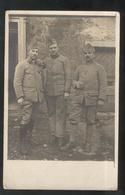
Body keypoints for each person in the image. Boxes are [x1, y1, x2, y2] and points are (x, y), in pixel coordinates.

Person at [62, 43, 107, 155]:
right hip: (79, 98)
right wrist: (76, 84)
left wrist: (101, 98)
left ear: (94, 54)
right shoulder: (79, 67)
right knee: (73, 119)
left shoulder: (99, 68)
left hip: (92, 99)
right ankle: (72, 141)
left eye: (89, 53)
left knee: (90, 121)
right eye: (85, 53)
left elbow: (103, 85)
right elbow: (72, 80)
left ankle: (88, 143)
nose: (87, 55)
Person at [13, 48, 45, 155]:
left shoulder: (38, 66)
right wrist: (20, 96)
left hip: (37, 97)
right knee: (26, 119)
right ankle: (22, 144)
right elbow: (17, 81)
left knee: (33, 118)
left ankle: (29, 139)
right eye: (33, 51)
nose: (35, 53)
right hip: (27, 97)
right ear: (28, 52)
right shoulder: (22, 65)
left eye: (37, 51)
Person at [44, 39, 72, 148]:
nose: (53, 50)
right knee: (51, 114)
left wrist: (66, 91)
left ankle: (60, 136)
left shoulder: (64, 60)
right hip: (49, 91)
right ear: (49, 50)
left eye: (54, 48)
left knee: (60, 114)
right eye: (51, 48)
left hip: (61, 92)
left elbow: (68, 76)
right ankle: (53, 135)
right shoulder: (46, 60)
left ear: (58, 48)